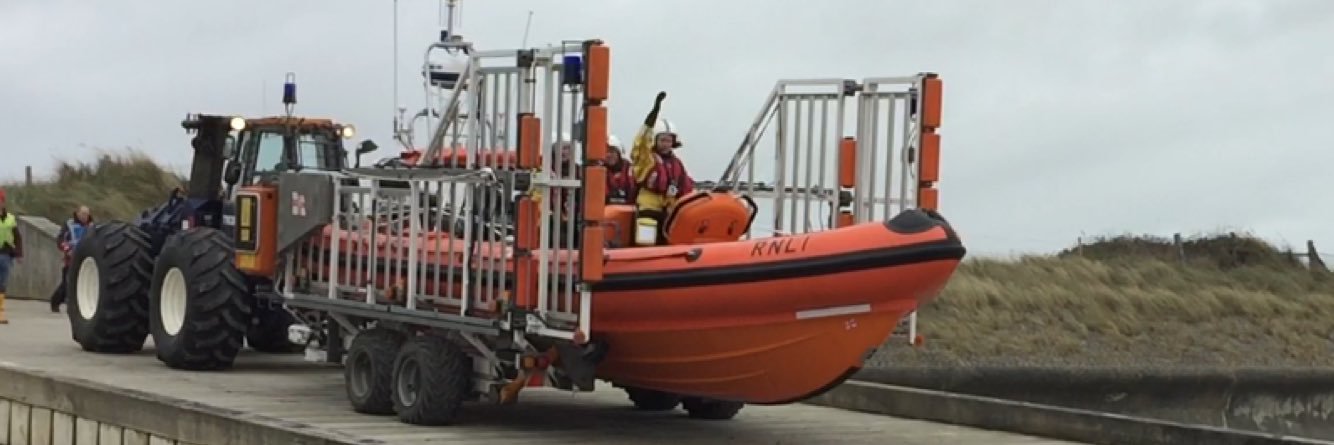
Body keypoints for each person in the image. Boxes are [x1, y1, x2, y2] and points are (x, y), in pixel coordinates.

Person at [630, 92, 695, 246]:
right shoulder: (647, 159)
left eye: (669, 140)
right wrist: (652, 115)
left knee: (667, 241)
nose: (666, 144)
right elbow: (641, 142)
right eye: (662, 140)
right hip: (648, 209)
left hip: (668, 210)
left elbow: (686, 186)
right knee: (646, 242)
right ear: (655, 140)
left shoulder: (677, 164)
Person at [51, 206, 93, 313]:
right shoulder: (69, 225)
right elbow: (60, 239)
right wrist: (66, 249)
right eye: (82, 214)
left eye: (86, 214)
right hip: (70, 258)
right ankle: (55, 301)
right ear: (77, 213)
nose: (84, 216)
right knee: (67, 284)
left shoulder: (92, 227)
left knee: (79, 284)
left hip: (85, 259)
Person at [0, 188, 23, 324]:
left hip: (6, 254)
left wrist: (19, 254)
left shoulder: (10, 219)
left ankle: (1, 312)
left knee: (2, 284)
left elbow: (17, 237)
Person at [604, 135, 637, 205]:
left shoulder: (631, 169)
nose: (608, 155)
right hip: (606, 210)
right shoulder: (599, 171)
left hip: (629, 209)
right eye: (606, 152)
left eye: (612, 151)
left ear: (619, 153)